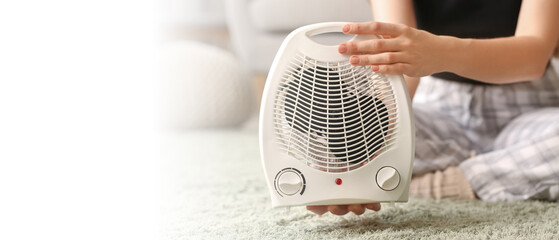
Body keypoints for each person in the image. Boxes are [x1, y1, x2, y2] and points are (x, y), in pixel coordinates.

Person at [307, 0, 559, 216]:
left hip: (528, 110)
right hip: (438, 108)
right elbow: (397, 67)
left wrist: (442, 52)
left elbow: (534, 56)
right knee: (326, 138)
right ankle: (501, 174)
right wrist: (366, 153)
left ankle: (435, 186)